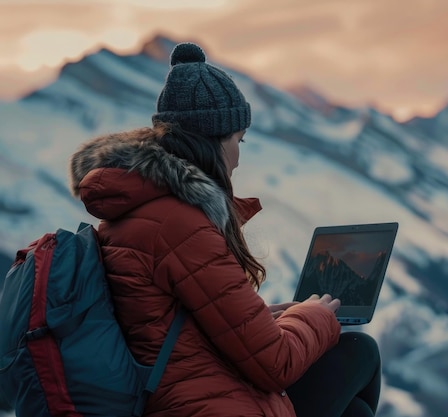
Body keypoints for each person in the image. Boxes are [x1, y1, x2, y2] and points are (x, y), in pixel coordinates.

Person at [68, 42, 381, 417]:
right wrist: (317, 317)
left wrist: (278, 315)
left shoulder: (141, 214)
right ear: (213, 141)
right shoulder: (179, 227)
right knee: (359, 352)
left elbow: (193, 323)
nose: (238, 156)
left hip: (185, 394)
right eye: (238, 140)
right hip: (207, 405)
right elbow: (275, 364)